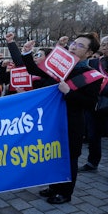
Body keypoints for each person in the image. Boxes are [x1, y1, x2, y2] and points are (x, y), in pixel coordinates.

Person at [24, 32, 102, 204]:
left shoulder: (92, 76)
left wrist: (69, 92)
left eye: (81, 45)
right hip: (51, 120)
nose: (74, 46)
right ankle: (53, 187)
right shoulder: (61, 64)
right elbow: (35, 70)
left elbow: (90, 104)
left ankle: (65, 193)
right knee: (52, 154)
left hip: (71, 123)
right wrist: (26, 53)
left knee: (69, 158)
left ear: (89, 53)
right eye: (74, 43)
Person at [78, 35, 108, 172]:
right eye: (103, 44)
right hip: (95, 105)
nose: (105, 46)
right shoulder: (95, 63)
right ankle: (92, 162)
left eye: (107, 44)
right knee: (93, 135)